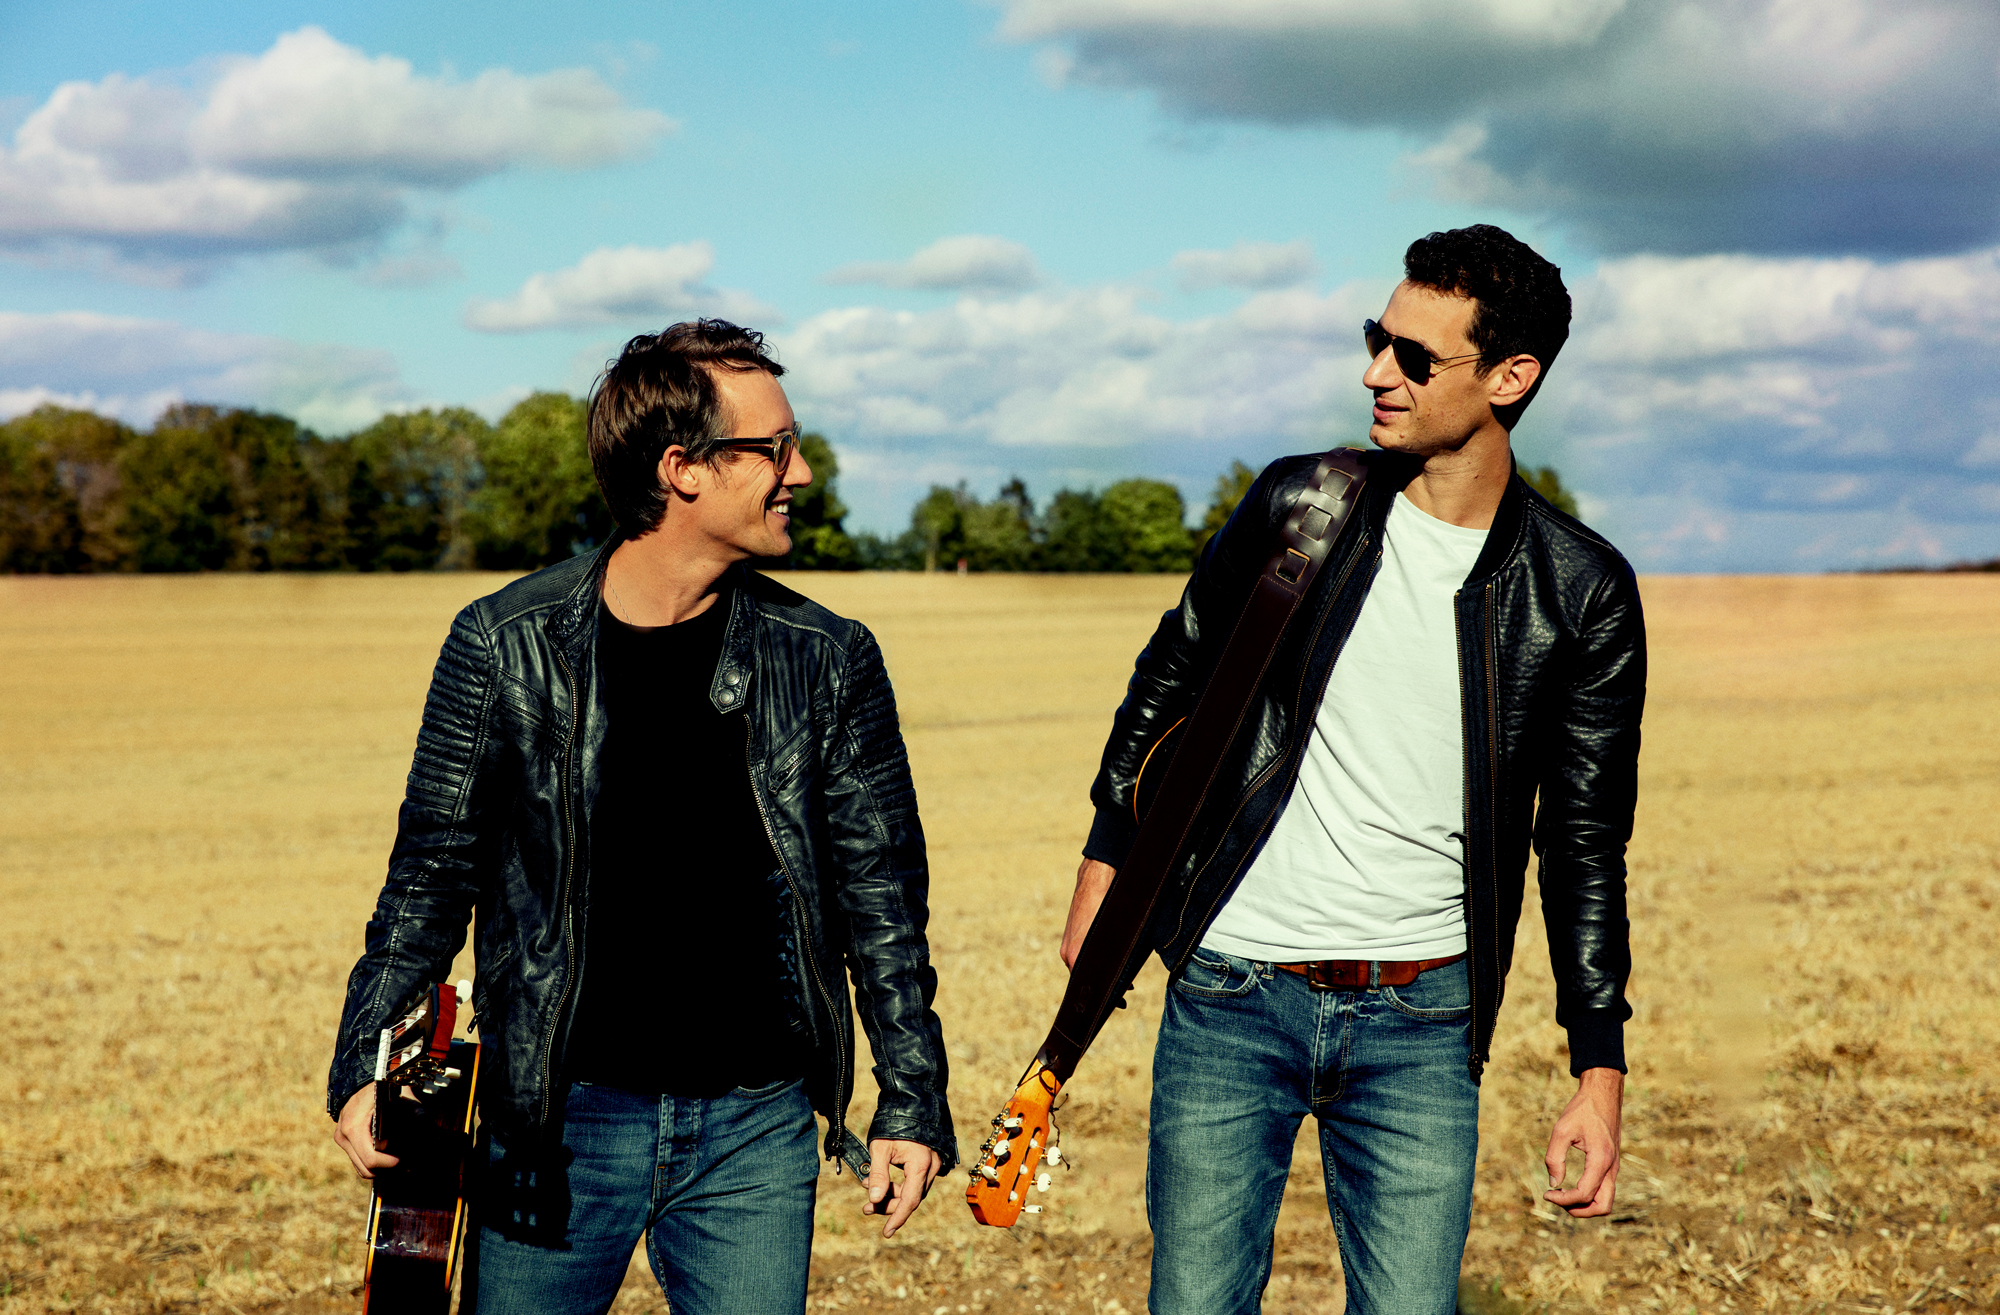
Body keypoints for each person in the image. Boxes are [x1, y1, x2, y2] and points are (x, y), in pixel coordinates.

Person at [1061, 225, 1644, 1314]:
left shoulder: (1579, 592)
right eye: (1377, 339)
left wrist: (1595, 1071)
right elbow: (1172, 672)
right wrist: (1107, 850)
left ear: (1510, 378)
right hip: (1231, 988)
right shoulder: (1299, 506)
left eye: (1414, 357)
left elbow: (1581, 842)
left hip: (1421, 1018)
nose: (1376, 370)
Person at [327, 319, 955, 1315]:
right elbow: (430, 876)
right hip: (551, 1118)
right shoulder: (502, 644)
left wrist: (911, 1095)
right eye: (773, 448)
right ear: (682, 469)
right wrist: (365, 1061)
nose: (800, 473)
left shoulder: (828, 657)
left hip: (757, 1126)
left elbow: (880, 894)